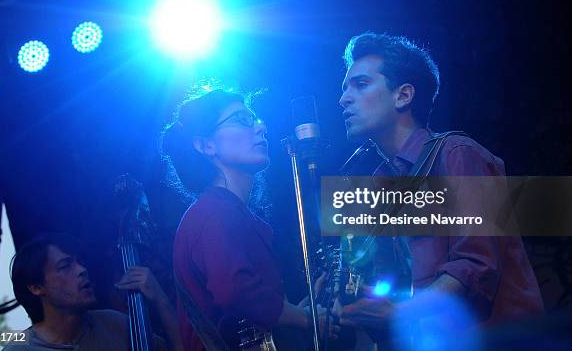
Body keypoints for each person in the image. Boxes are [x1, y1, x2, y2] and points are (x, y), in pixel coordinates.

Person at [336, 32, 544, 345]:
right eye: (344, 88)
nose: (344, 99)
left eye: (361, 84)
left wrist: (401, 313)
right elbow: (393, 283)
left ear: (403, 96)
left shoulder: (457, 153)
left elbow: (476, 265)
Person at [162, 88, 336, 351]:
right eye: (242, 120)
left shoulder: (230, 211)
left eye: (256, 119)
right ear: (206, 145)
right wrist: (304, 318)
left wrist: (294, 310)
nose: (261, 127)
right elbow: (236, 292)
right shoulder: (213, 214)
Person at [4, 233, 183, 350]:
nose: (82, 269)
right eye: (65, 266)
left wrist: (161, 300)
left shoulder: (116, 324)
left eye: (79, 262)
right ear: (36, 287)